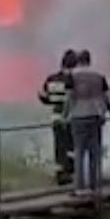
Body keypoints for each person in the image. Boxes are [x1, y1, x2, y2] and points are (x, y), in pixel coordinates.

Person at [64, 48, 110, 196]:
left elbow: (69, 97)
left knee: (79, 152)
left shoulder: (72, 76)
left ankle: (80, 188)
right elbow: (107, 97)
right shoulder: (99, 76)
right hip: (96, 116)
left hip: (78, 116)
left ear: (78, 61)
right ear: (89, 60)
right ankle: (95, 186)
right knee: (95, 152)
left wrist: (65, 115)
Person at [38, 49, 78, 184]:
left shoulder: (51, 79)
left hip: (55, 117)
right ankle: (71, 174)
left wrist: (51, 100)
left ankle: (60, 174)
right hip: (71, 118)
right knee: (71, 146)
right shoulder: (73, 80)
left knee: (59, 146)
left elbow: (43, 97)